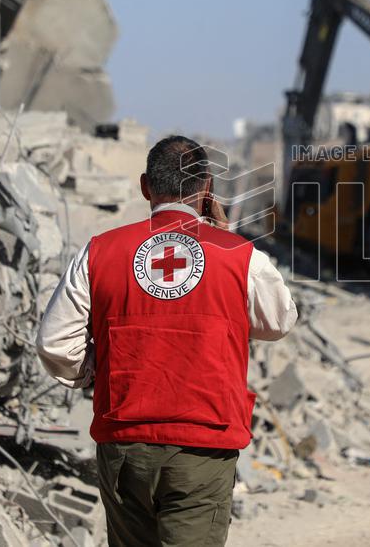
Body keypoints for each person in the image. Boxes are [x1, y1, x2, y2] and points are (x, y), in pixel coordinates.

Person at [37, 135, 298, 546]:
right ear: (207, 188)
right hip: (203, 447)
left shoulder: (98, 252)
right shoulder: (240, 255)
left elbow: (54, 343)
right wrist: (225, 239)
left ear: (146, 187)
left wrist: (92, 374)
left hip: (124, 440)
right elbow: (279, 321)